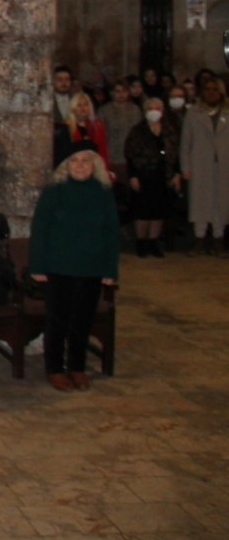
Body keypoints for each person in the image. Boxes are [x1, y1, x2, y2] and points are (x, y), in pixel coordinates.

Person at [30, 140, 120, 391]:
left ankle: (77, 367)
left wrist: (110, 270)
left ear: (95, 165)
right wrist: (37, 266)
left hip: (91, 266)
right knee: (58, 320)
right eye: (74, 161)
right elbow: (40, 230)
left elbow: (112, 232)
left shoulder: (102, 192)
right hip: (57, 266)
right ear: (65, 165)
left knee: (82, 321)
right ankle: (55, 368)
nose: (80, 166)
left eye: (85, 161)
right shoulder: (55, 190)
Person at [180, 74, 229, 256]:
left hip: (224, 165)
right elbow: (186, 141)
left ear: (221, 92)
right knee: (200, 201)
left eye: (214, 89)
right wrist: (185, 166)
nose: (211, 93)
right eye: (207, 89)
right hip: (200, 163)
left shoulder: (228, 112)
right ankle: (199, 238)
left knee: (221, 202)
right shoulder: (194, 112)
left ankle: (218, 239)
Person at [126, 97, 180, 258]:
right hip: (143, 175)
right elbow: (129, 154)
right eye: (151, 108)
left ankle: (153, 242)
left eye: (157, 108)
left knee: (158, 211)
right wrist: (133, 176)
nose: (154, 111)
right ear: (145, 111)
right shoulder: (137, 131)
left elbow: (177, 155)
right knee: (142, 211)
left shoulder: (170, 130)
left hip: (163, 175)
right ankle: (141, 242)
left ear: (163, 111)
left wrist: (176, 173)